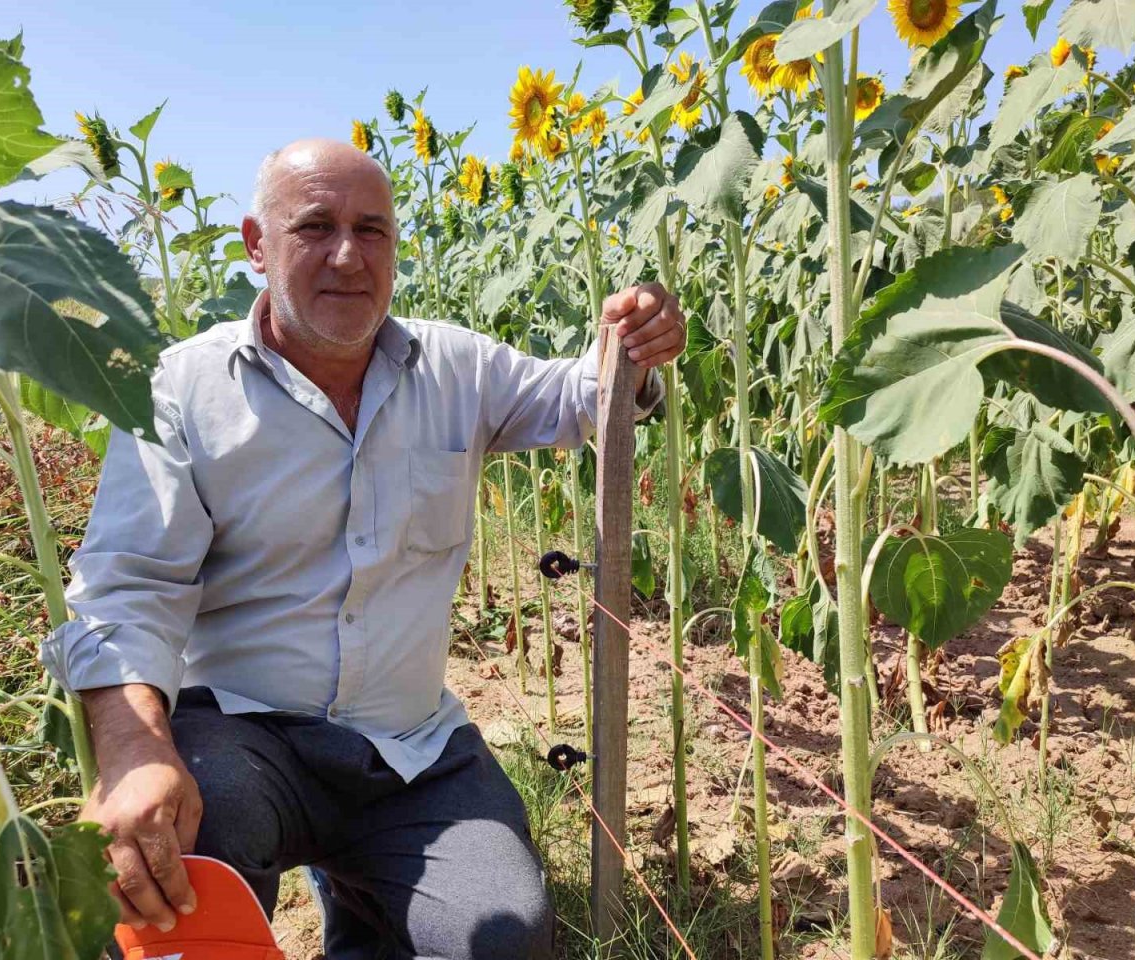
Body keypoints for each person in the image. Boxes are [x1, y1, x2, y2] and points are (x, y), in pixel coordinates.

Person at [40, 138, 686, 960]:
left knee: (502, 939)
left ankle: (365, 916)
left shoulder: (456, 367)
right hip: (243, 736)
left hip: (409, 748)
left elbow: (582, 397)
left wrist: (633, 348)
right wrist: (133, 752)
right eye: (315, 226)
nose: (348, 254)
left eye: (372, 229)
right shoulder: (181, 389)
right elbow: (128, 583)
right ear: (255, 244)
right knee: (171, 874)